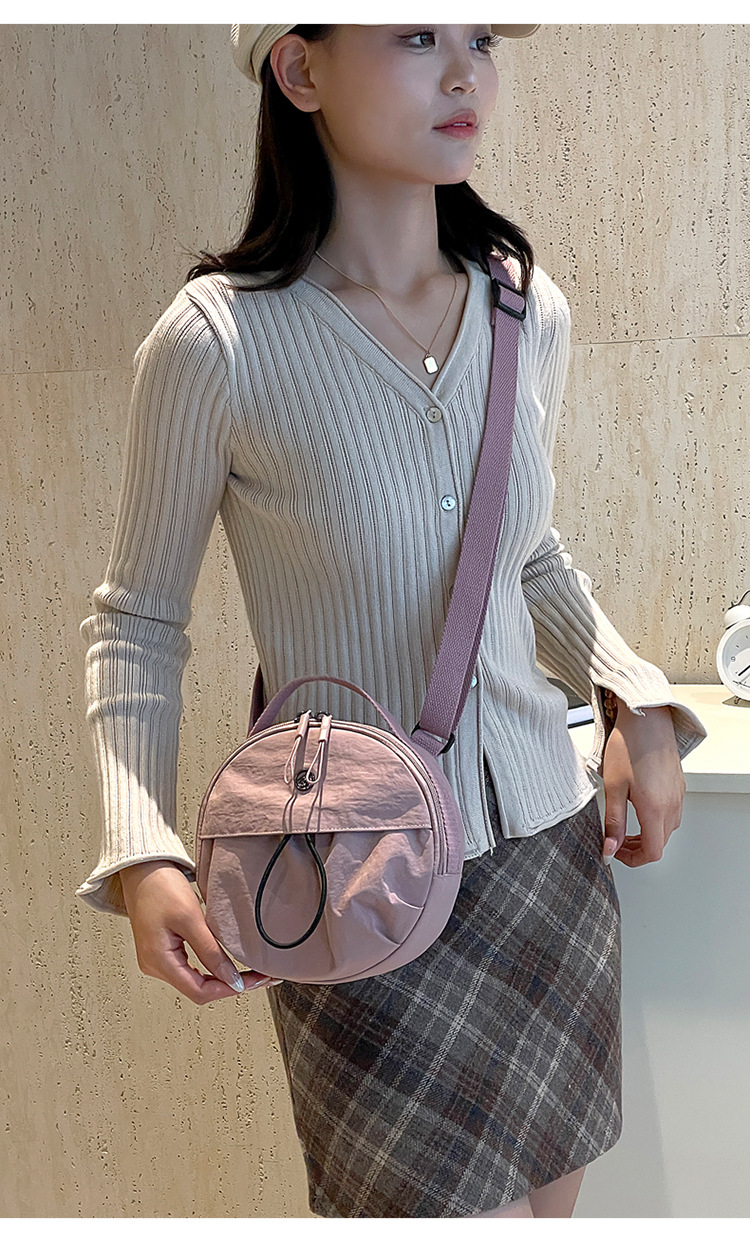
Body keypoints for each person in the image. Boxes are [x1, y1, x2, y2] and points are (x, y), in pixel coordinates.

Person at [76, 24, 708, 1219]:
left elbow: (527, 557)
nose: (467, 72)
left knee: (550, 1222)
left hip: (549, 859)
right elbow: (138, 621)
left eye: (480, 38)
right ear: (299, 69)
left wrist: (638, 698)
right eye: (417, 35)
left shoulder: (527, 311)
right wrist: (144, 849)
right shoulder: (217, 342)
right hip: (352, 878)